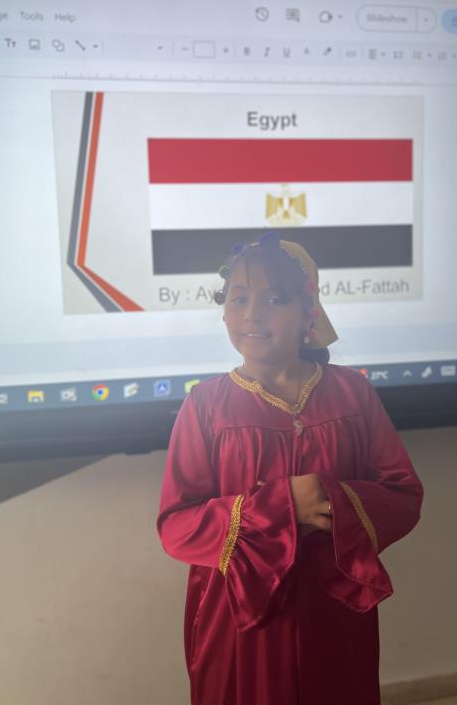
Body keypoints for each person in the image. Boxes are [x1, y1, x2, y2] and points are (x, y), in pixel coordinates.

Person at [157, 232, 423, 705]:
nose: (252, 315)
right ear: (224, 312)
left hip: (334, 608)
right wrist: (280, 509)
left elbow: (402, 494)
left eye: (275, 299)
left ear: (308, 312)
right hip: (242, 619)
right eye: (239, 299)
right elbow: (177, 526)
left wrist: (332, 502)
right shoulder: (206, 406)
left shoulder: (353, 394)